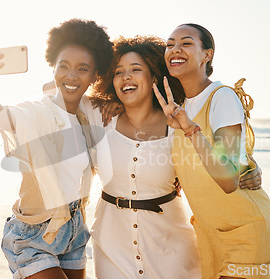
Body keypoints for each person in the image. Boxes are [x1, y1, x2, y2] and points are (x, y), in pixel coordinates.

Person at [0, 19, 113, 279]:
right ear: (53, 66)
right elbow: (3, 116)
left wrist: (115, 104)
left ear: (94, 75)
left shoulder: (90, 116)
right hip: (34, 234)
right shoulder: (37, 112)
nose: (71, 75)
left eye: (82, 69)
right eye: (63, 66)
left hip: (75, 231)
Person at [153, 23, 270, 279]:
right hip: (210, 235)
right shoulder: (178, 109)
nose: (175, 49)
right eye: (170, 44)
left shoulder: (222, 98)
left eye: (186, 43)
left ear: (207, 54)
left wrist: (191, 130)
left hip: (246, 231)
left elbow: (229, 177)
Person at [80, 35, 202, 278]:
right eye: (118, 72)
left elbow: (212, 165)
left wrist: (248, 173)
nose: (126, 76)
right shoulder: (100, 118)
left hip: (172, 249)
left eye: (136, 69)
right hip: (111, 246)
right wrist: (111, 100)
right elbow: (54, 90)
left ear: (154, 76)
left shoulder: (178, 124)